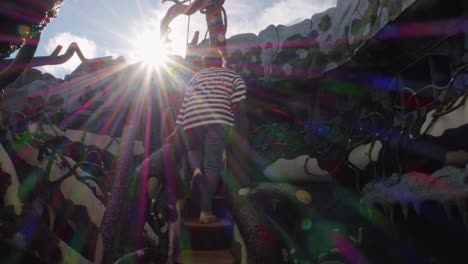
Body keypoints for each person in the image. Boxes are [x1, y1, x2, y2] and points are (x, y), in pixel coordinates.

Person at [165, 48, 248, 223]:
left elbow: (185, 103)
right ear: (221, 61)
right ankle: (205, 211)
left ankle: (195, 169)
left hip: (191, 119)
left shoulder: (197, 77)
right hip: (217, 118)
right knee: (212, 165)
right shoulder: (233, 76)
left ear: (204, 62)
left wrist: (176, 129)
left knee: (193, 149)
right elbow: (238, 101)